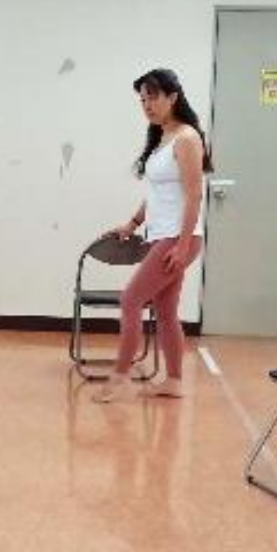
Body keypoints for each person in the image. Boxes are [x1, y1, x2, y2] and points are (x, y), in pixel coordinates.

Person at [94, 68, 211, 403]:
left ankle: (120, 377)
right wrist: (132, 224)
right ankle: (174, 380)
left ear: (173, 97)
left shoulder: (186, 138)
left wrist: (183, 245)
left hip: (178, 237)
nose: (147, 105)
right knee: (166, 310)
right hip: (163, 236)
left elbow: (195, 195)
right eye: (143, 99)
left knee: (131, 299)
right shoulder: (163, 137)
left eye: (153, 97)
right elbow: (158, 194)